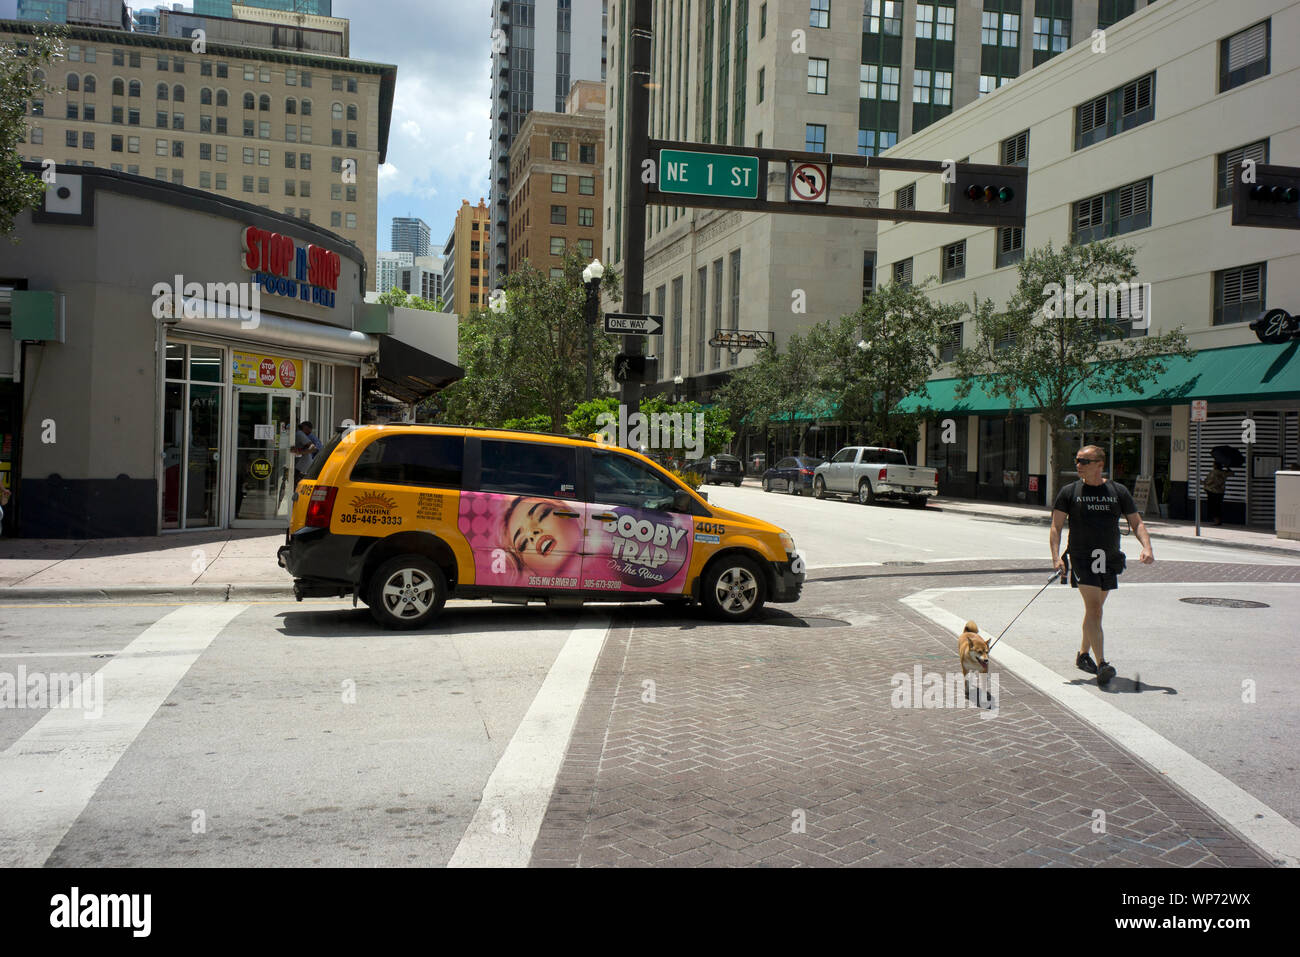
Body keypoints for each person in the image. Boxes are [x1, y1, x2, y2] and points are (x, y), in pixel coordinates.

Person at [1049, 445, 1155, 687]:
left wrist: (1147, 547)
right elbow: (1055, 527)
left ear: (1099, 464)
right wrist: (1056, 557)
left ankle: (1083, 654)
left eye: (1084, 461)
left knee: (1094, 611)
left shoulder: (1117, 491)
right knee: (1095, 610)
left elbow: (1136, 523)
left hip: (1109, 558)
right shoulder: (1069, 491)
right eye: (1077, 460)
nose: (1078, 465)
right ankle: (1102, 664)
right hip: (1082, 557)